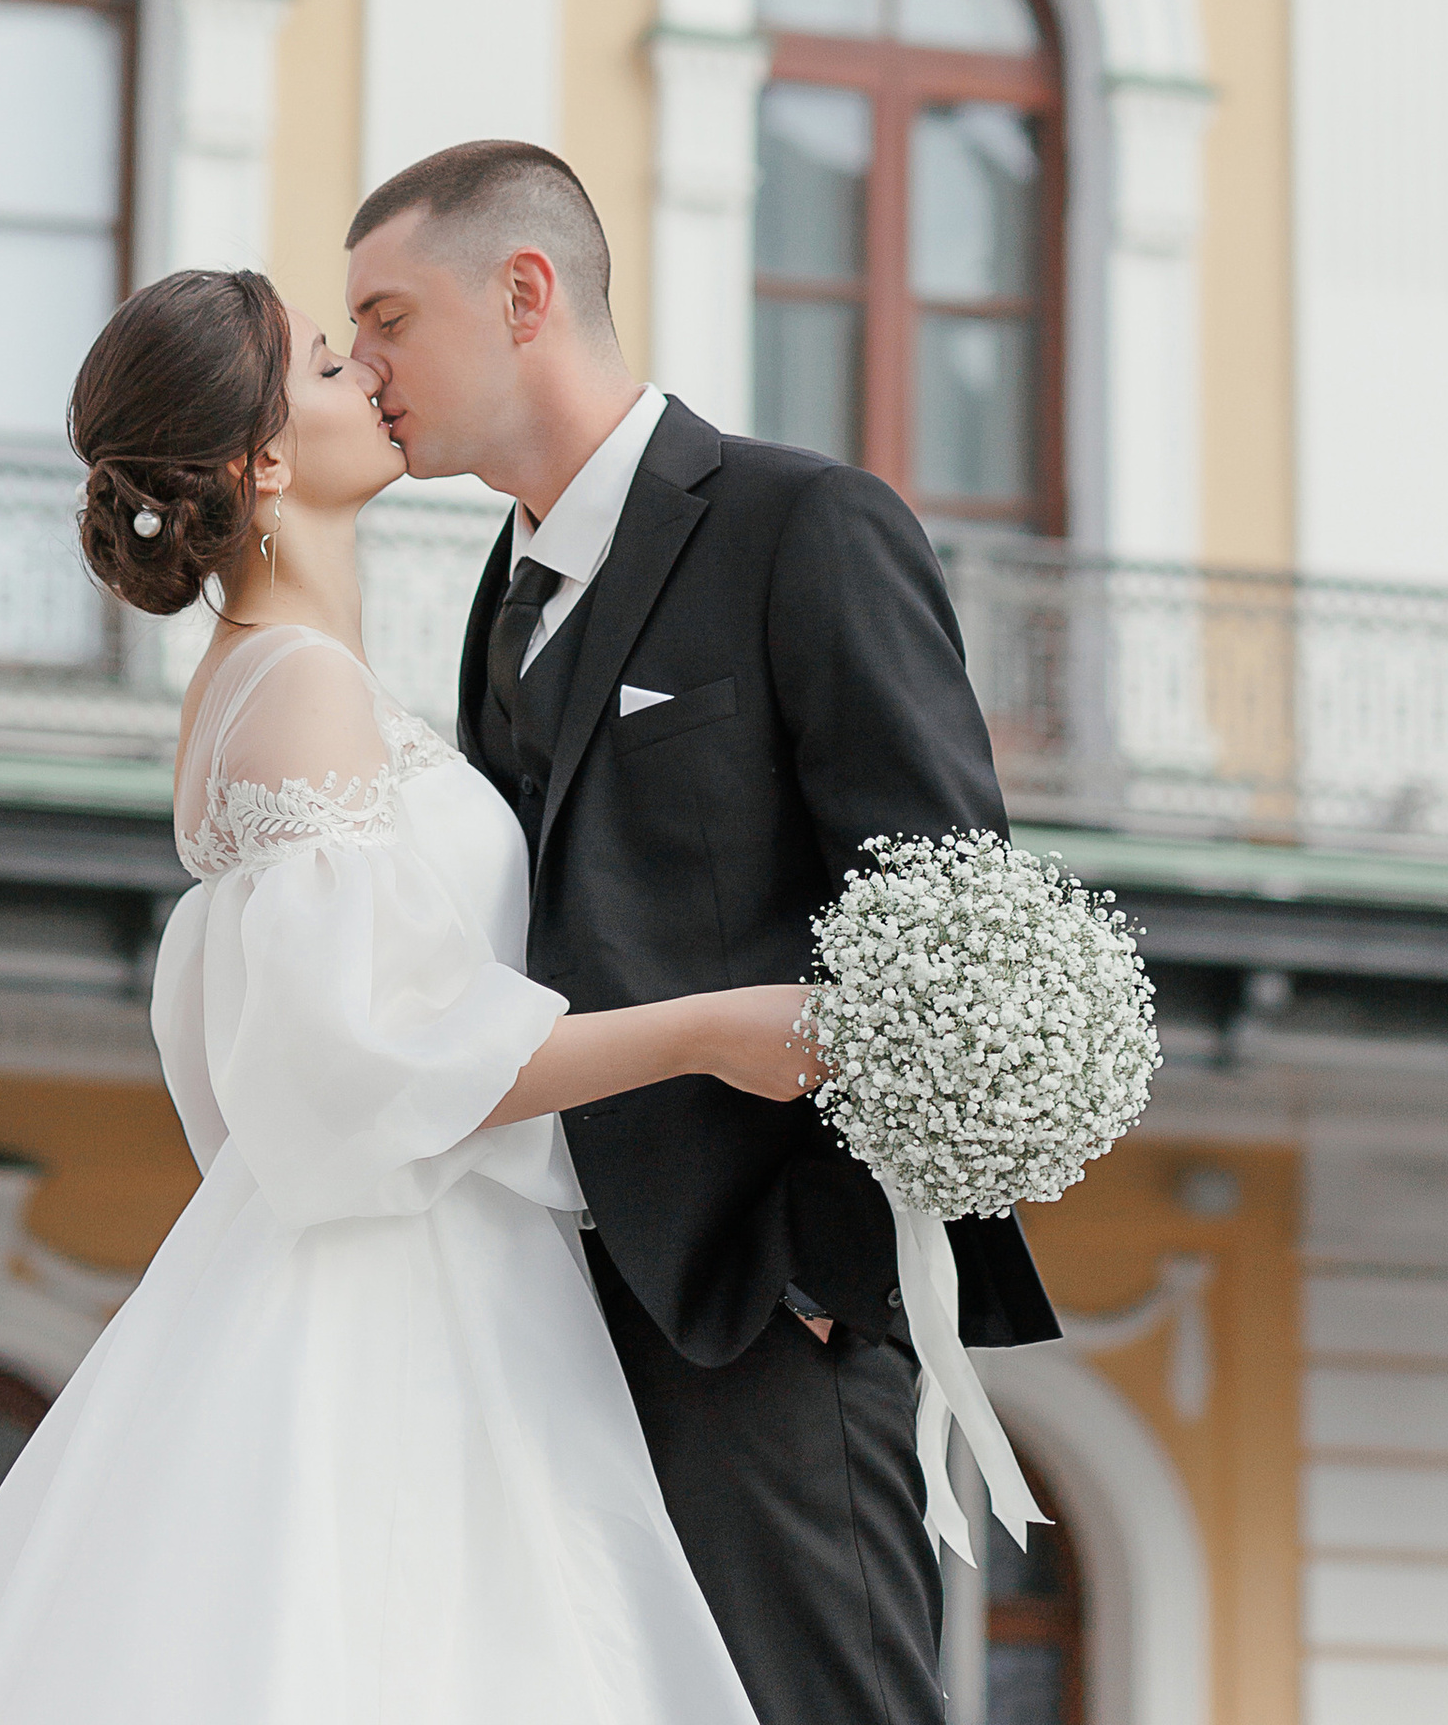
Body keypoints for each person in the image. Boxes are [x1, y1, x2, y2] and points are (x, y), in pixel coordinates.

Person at [0, 265, 806, 1725]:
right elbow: (369, 1065)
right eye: (320, 361)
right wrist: (708, 1030)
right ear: (264, 463)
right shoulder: (299, 687)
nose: (365, 370)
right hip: (397, 1297)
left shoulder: (297, 679)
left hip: (437, 1270)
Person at [345, 136, 1062, 1725]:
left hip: (764, 1322)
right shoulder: (502, 591)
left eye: (390, 317)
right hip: (556, 1317)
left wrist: (818, 1269)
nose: (361, 364)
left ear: (523, 292)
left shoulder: (801, 526)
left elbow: (959, 924)